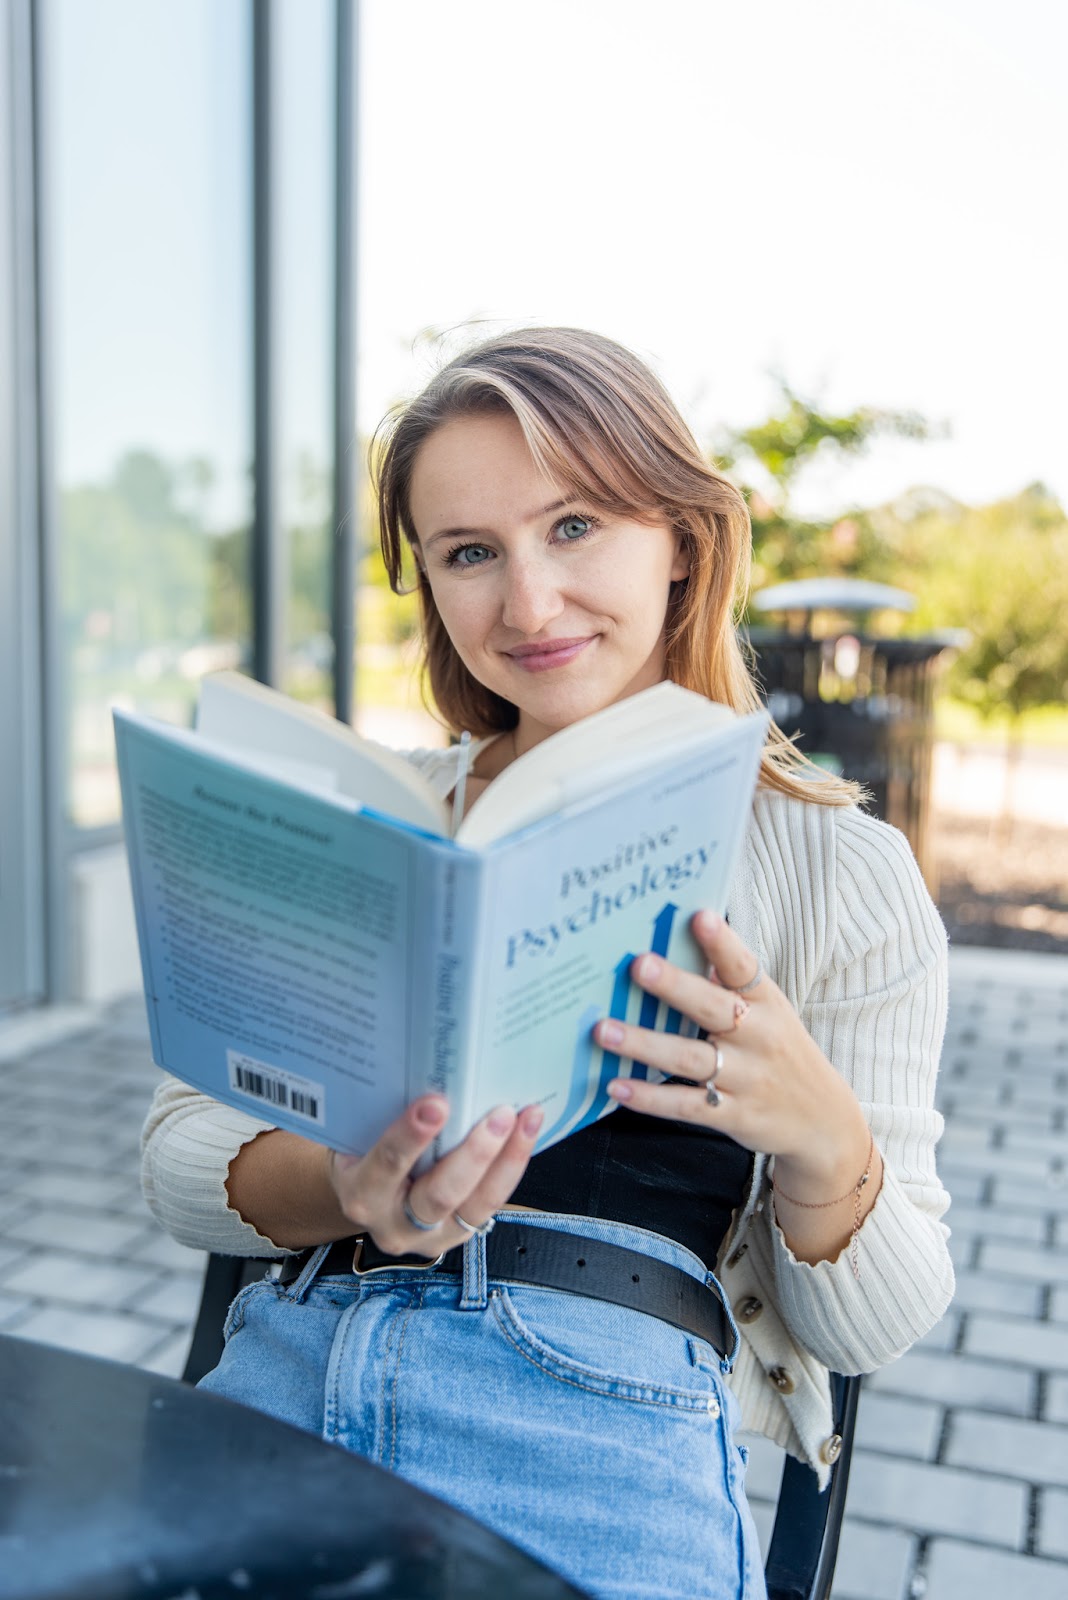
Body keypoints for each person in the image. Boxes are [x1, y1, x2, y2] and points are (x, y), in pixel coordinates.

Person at [141, 327, 955, 1600]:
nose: (526, 603)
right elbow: (183, 1160)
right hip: (295, 1369)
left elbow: (876, 1322)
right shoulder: (373, 821)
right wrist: (350, 1186)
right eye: (470, 553)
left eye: (574, 527)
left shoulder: (839, 872)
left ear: (683, 540)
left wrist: (823, 1138)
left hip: (595, 1429)